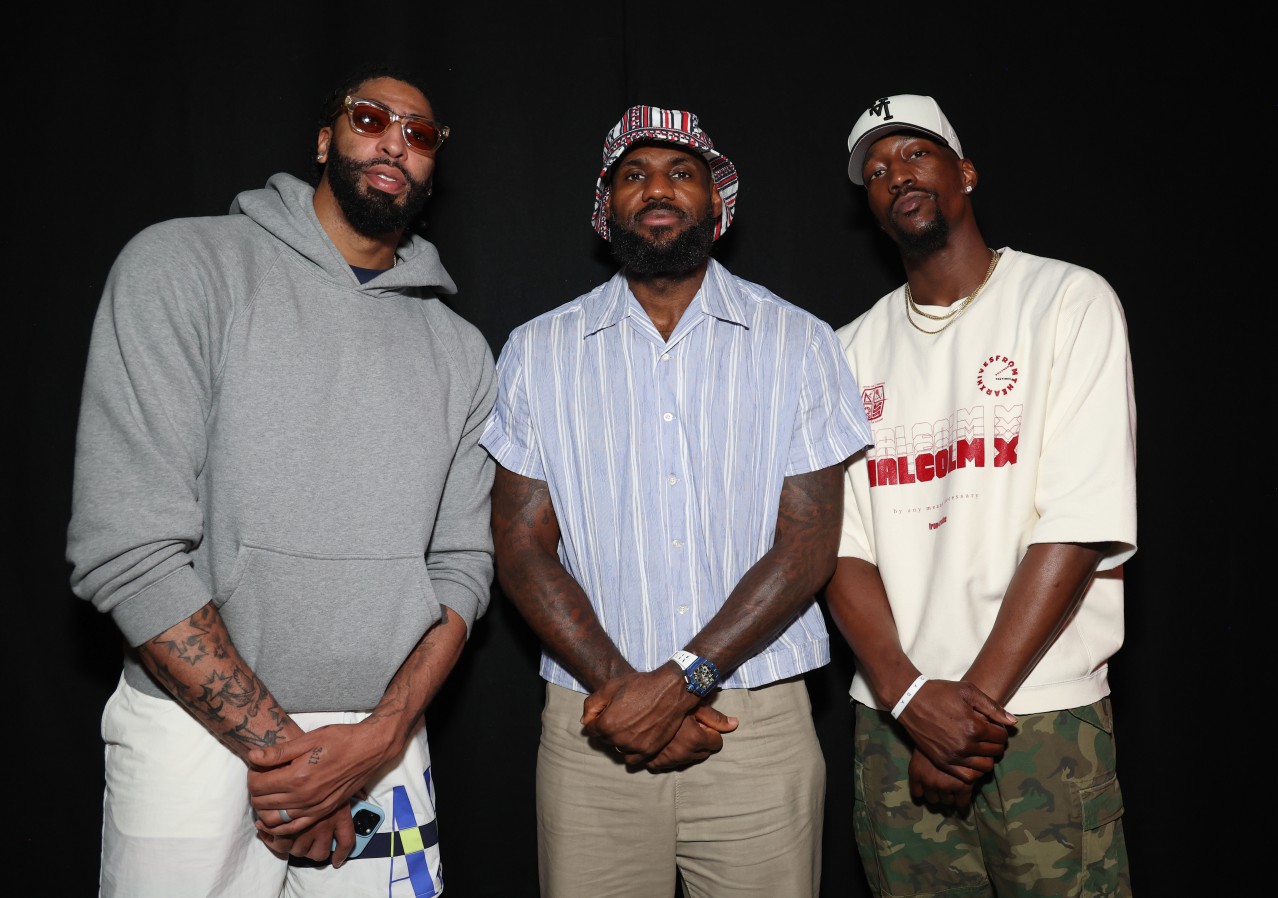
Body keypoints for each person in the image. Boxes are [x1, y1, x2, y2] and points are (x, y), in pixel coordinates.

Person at [66, 62, 496, 898]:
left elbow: (463, 567)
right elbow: (127, 549)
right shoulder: (183, 265)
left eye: (420, 135)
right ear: (326, 136)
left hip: (382, 748)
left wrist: (379, 737)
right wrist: (292, 763)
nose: (395, 144)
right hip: (189, 739)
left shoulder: (462, 351)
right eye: (372, 118)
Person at [481, 104, 873, 897]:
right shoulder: (537, 350)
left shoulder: (800, 342)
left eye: (680, 173)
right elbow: (520, 543)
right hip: (593, 724)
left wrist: (681, 682)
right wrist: (625, 694)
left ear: (716, 207)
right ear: (606, 211)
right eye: (634, 176)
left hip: (753, 726)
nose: (657, 190)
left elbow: (807, 545)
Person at [824, 93, 1137, 897]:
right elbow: (837, 549)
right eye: (878, 170)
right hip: (894, 722)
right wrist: (913, 700)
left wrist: (964, 724)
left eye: (916, 153)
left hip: (1040, 712)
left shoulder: (1068, 301)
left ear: (964, 172)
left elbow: (1077, 522)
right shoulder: (845, 351)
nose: (897, 174)